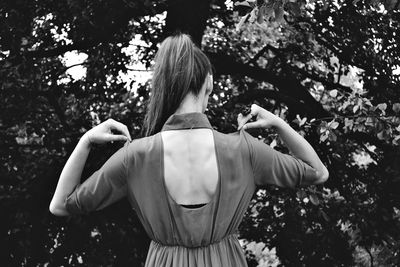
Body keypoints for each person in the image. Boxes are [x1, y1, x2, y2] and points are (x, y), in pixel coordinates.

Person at [49, 33, 329, 266]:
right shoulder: (243, 149)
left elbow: (61, 205)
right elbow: (317, 172)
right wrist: (278, 123)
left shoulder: (135, 157)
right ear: (208, 81)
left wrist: (85, 141)